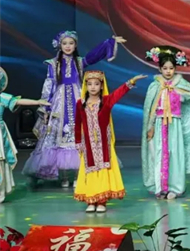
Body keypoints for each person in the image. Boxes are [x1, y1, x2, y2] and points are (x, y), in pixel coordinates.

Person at [24, 31, 125, 188]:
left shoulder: (79, 62)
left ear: (75, 45)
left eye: (71, 43)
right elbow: (49, 85)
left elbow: (94, 55)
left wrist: (109, 42)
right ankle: (64, 176)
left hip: (78, 100)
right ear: (60, 45)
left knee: (80, 135)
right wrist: (45, 106)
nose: (68, 46)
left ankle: (79, 174)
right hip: (59, 103)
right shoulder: (52, 64)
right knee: (59, 138)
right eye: (65, 43)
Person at [141, 46, 190, 199]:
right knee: (159, 154)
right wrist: (150, 127)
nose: (168, 71)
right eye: (165, 68)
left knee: (175, 153)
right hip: (159, 124)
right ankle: (161, 187)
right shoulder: (155, 86)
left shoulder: (180, 84)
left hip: (175, 125)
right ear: (160, 69)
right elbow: (150, 109)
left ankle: (175, 187)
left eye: (171, 68)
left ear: (175, 68)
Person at [74, 71, 146, 212]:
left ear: (101, 86)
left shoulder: (106, 101)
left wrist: (132, 81)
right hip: (88, 145)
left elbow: (119, 93)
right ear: (85, 86)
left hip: (103, 145)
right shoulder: (80, 103)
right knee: (90, 170)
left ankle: (102, 201)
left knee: (103, 169)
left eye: (96, 84)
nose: (93, 87)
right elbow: (77, 124)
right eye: (89, 84)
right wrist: (78, 142)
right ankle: (91, 200)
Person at [0, 67, 50, 203]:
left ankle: (0, 192)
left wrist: (38, 102)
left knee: (0, 162)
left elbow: (19, 101)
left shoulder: (2, 97)